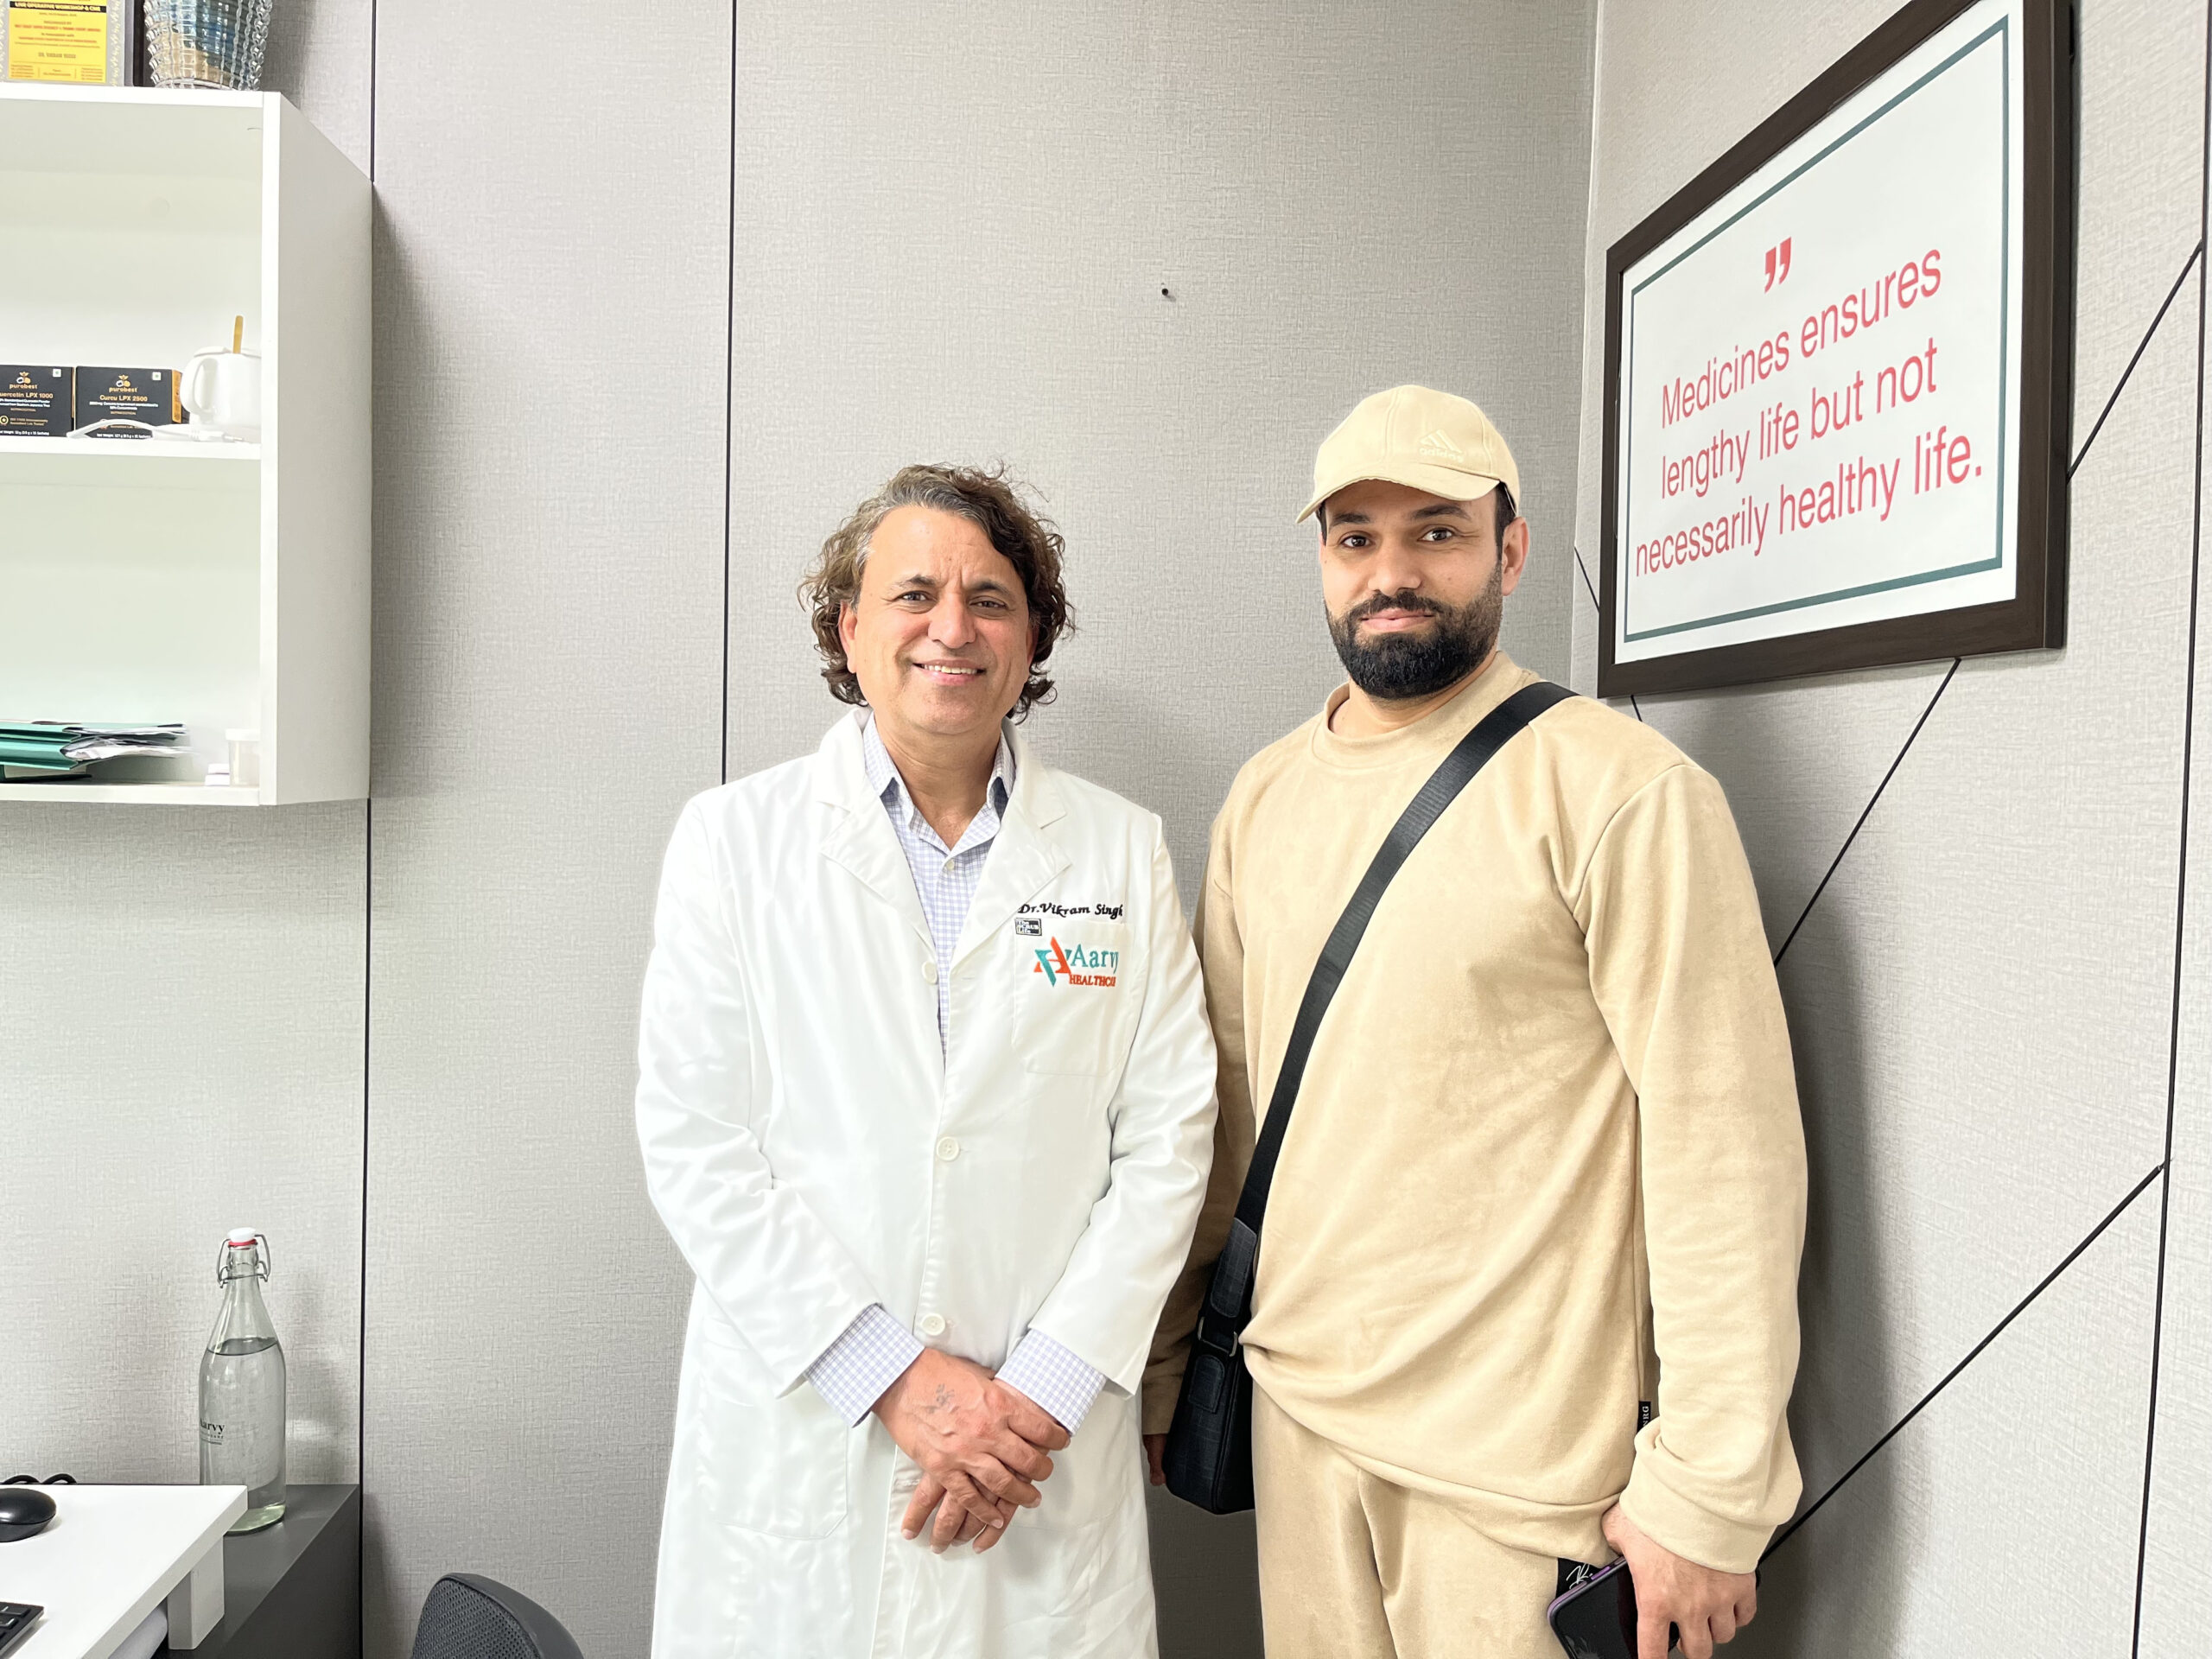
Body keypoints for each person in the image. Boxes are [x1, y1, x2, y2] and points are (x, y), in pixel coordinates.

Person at [1146, 386, 1807, 1659]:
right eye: (1355, 537)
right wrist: (1177, 1358)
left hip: (1525, 1476)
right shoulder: (1263, 799)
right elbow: (1225, 1110)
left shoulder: (1621, 791)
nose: (1391, 572)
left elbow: (1726, 1146)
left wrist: (1714, 1487)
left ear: (1510, 550)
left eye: (1436, 533)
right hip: (1298, 1423)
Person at [637, 463, 1217, 1657]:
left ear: (1032, 636)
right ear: (849, 630)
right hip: (812, 1447)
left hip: (1035, 1456)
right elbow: (698, 1145)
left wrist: (1042, 1391)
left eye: (990, 599)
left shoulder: (1120, 852)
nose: (952, 628)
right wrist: (895, 1378)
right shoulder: (734, 843)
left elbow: (1170, 1142)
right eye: (913, 595)